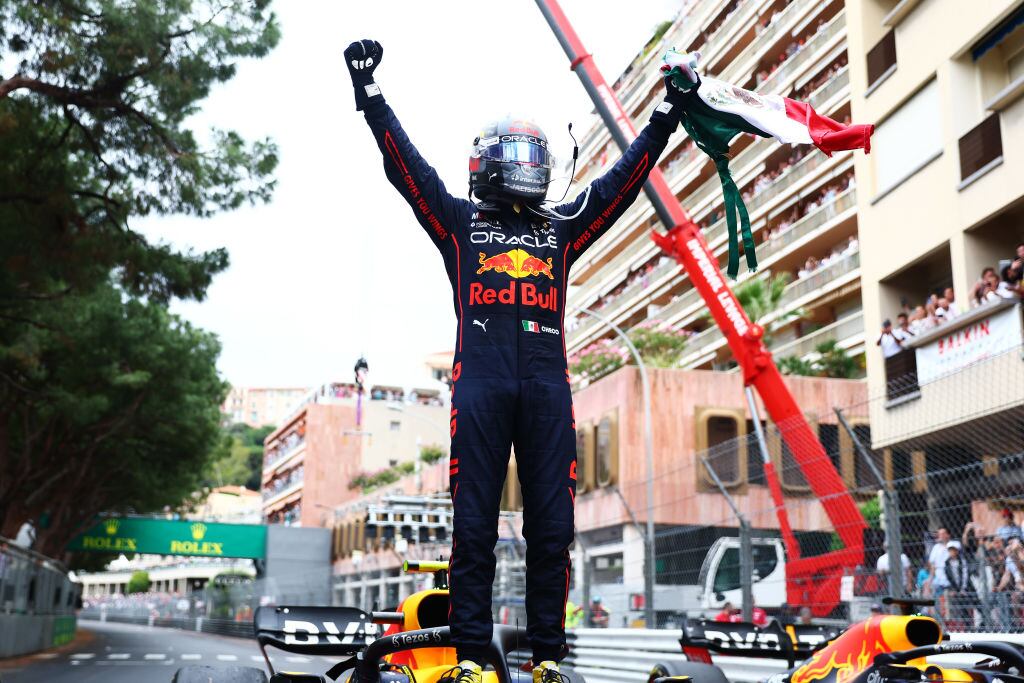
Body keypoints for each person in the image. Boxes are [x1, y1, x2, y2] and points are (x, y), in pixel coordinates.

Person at [345, 38, 687, 683]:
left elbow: (622, 182)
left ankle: (548, 660)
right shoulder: (458, 222)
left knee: (553, 530)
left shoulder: (563, 225)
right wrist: (371, 93)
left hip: (547, 391)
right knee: (474, 528)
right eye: (516, 154)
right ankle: (472, 661)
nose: (527, 165)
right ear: (485, 162)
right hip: (480, 387)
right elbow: (406, 167)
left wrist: (667, 113)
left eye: (535, 155)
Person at [944, 540, 976, 631]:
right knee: (959, 609)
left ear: (957, 551)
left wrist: (963, 589)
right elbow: (948, 577)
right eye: (950, 550)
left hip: (965, 588)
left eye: (953, 550)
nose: (951, 552)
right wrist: (952, 589)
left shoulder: (962, 561)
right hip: (955, 588)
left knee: (971, 606)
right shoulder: (947, 562)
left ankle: (973, 626)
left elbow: (965, 576)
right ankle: (962, 628)